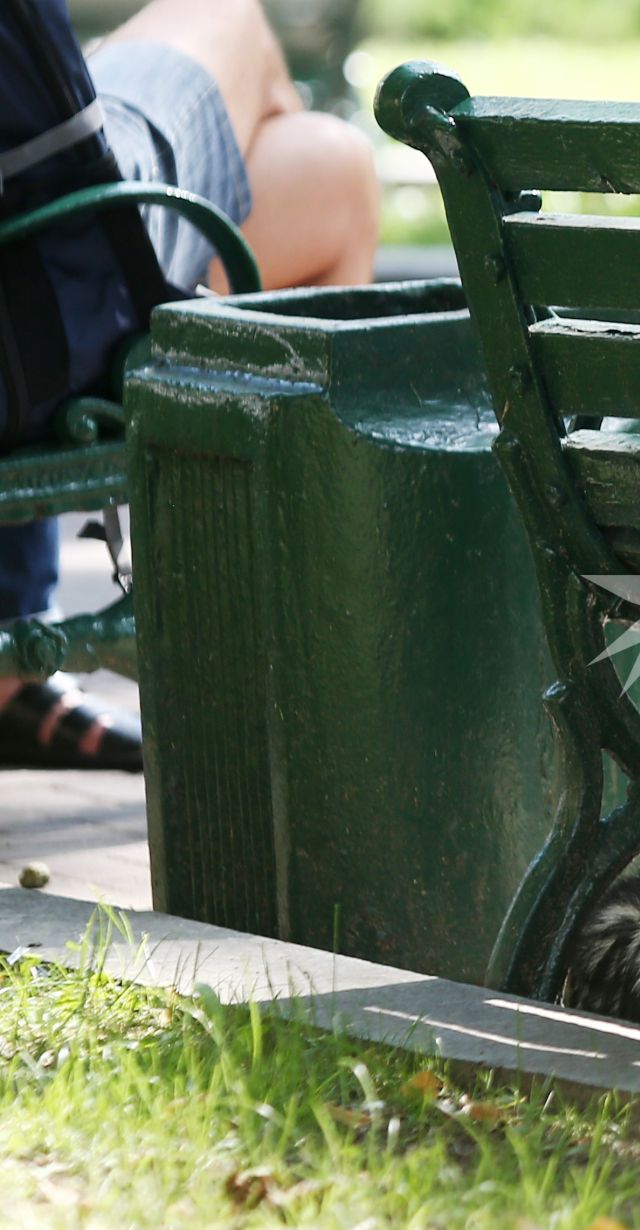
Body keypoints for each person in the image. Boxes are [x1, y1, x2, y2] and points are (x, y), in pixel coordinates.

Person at [0, 0, 379, 770]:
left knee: (331, 162)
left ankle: (12, 641)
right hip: (43, 298)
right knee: (227, 15)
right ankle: (318, 681)